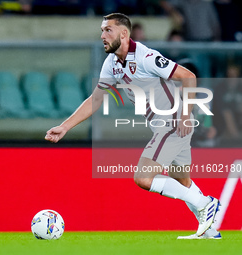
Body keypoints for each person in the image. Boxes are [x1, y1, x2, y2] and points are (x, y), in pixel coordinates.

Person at [45, 13, 221, 239]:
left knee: (143, 178)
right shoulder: (111, 63)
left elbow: (188, 76)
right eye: (102, 30)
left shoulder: (146, 56)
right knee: (182, 180)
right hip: (163, 126)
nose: (102, 35)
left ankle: (206, 203)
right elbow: (97, 98)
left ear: (124, 33)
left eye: (108, 30)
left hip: (172, 122)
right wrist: (65, 126)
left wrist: (186, 115)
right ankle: (211, 231)